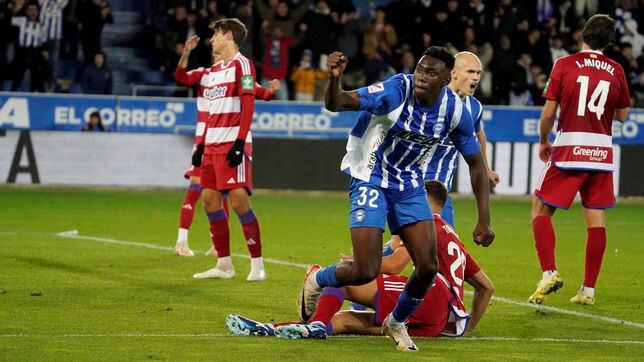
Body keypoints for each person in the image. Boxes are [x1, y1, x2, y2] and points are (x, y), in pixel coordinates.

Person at [298, 47, 494, 352]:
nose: (421, 76)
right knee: (366, 269)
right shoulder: (397, 90)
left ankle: (396, 321)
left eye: (430, 73)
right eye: (419, 69)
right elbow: (338, 102)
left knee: (428, 266)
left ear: (446, 79)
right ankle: (318, 278)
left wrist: (484, 219)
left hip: (409, 185)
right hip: (370, 177)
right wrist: (334, 79)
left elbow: (476, 164)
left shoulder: (456, 111)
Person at [225, 180, 494, 339]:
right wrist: (465, 326)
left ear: (423, 199)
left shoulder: (425, 225)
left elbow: (395, 265)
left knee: (346, 280)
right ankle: (275, 329)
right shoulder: (453, 237)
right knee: (346, 321)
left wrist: (358, 266)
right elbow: (486, 287)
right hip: (438, 321)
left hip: (430, 296)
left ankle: (316, 322)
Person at [528, 14, 631, 306]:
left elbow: (549, 113)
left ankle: (549, 272)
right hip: (601, 153)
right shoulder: (616, 69)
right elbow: (622, 115)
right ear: (609, 42)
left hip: (570, 148)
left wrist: (543, 140)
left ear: (583, 34)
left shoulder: (565, 64)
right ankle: (588, 290)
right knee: (596, 220)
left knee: (540, 211)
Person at [174, 18, 265, 281]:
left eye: (215, 34)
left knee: (238, 202)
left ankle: (257, 265)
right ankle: (224, 265)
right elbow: (212, 112)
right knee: (210, 202)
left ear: (227, 35)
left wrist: (239, 142)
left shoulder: (243, 65)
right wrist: (200, 147)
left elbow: (248, 106)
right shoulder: (213, 72)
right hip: (211, 146)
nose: (212, 39)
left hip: (232, 144)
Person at [422, 51, 500, 227]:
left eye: (478, 73)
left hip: (441, 191)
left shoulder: (474, 108)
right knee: (420, 247)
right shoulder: (430, 99)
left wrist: (486, 168)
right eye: (470, 72)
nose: (476, 78)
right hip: (412, 184)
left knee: (438, 246)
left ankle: (375, 254)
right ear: (453, 73)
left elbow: (479, 134)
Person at [10, 2, 46, 92]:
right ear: (26, 12)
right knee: (17, 78)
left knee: (38, 79)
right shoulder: (21, 21)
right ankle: (11, 95)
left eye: (35, 10)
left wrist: (44, 51)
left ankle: (40, 98)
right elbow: (10, 20)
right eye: (30, 10)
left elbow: (44, 41)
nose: (33, 13)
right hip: (23, 52)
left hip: (36, 52)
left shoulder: (42, 25)